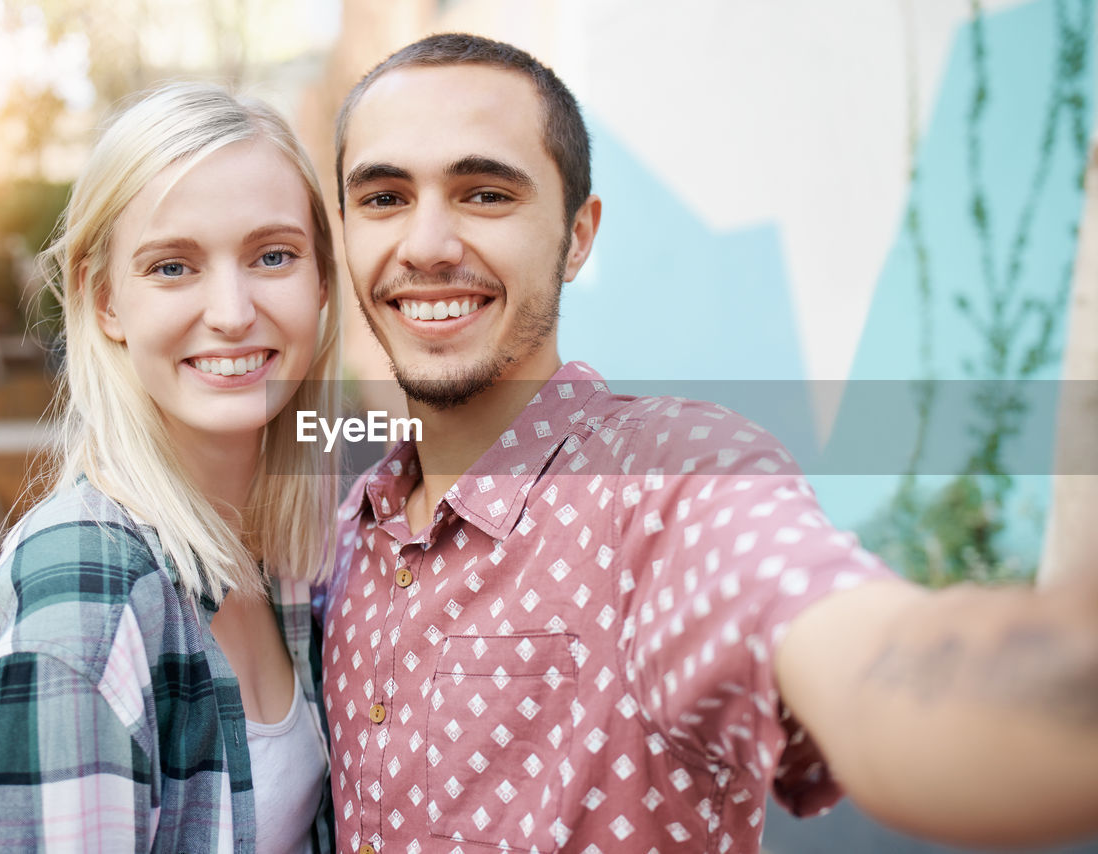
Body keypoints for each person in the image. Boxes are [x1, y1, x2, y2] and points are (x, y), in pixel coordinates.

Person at [319, 33, 1098, 854]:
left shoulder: (667, 487)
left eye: (484, 194)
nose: (427, 244)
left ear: (577, 236)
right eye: (384, 199)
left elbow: (864, 665)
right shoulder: (342, 541)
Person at [0, 82, 341, 852]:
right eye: (171, 267)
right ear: (104, 299)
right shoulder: (86, 608)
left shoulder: (287, 548)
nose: (231, 310)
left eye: (274, 255)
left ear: (321, 280)